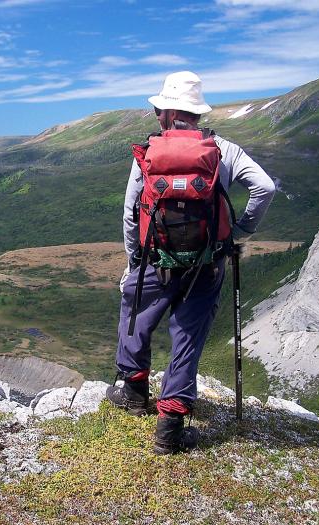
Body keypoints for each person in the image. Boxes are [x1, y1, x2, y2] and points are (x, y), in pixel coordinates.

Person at [106, 71, 275, 454]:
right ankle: (170, 429)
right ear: (197, 113)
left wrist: (136, 261)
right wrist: (239, 230)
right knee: (187, 337)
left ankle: (133, 392)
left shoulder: (150, 152)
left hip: (155, 256)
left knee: (136, 312)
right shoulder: (223, 150)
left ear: (166, 112)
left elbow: (132, 213)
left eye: (157, 111)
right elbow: (265, 187)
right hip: (207, 262)